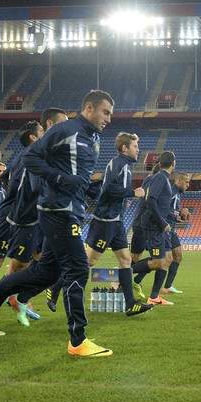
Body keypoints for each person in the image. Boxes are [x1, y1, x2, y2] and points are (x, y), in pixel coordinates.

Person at [0, 90, 115, 357]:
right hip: (57, 210)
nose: (109, 118)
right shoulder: (66, 130)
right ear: (89, 107)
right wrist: (59, 180)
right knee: (78, 269)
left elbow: (77, 177)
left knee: (46, 273)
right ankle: (77, 341)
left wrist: (91, 189)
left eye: (111, 114)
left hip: (70, 209)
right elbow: (30, 158)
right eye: (105, 112)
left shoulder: (93, 138)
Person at [0, 111, 68, 333]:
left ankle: (19, 299)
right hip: (24, 219)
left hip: (38, 219)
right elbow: (24, 188)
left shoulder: (45, 153)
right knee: (12, 268)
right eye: (63, 123)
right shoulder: (34, 154)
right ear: (46, 128)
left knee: (43, 267)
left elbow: (7, 178)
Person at [83, 131, 152, 316]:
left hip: (116, 221)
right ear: (124, 148)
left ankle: (130, 304)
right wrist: (131, 193)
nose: (138, 150)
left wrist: (123, 199)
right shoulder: (118, 163)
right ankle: (57, 285)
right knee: (90, 261)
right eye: (135, 146)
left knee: (125, 260)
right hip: (105, 220)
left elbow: (112, 189)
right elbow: (108, 188)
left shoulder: (126, 165)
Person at [130, 151, 176, 306]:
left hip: (159, 226)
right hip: (153, 226)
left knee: (167, 259)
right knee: (158, 262)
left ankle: (154, 296)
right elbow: (150, 200)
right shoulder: (161, 178)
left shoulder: (161, 178)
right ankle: (122, 274)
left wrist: (170, 216)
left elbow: (158, 202)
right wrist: (163, 222)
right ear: (173, 164)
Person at [163, 173, 191, 294]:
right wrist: (177, 215)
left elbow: (172, 212)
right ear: (178, 181)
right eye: (186, 182)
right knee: (160, 261)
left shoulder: (177, 194)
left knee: (178, 256)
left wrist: (181, 214)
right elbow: (162, 209)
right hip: (165, 229)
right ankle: (130, 276)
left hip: (172, 230)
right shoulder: (171, 192)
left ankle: (168, 286)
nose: (188, 185)